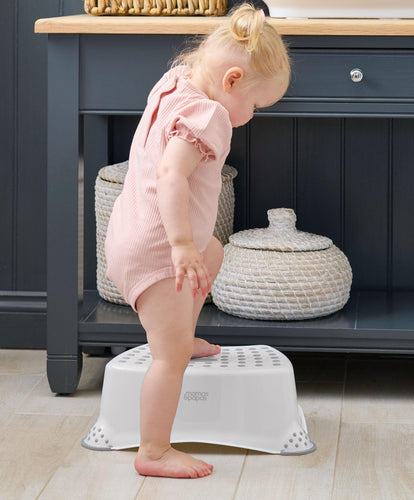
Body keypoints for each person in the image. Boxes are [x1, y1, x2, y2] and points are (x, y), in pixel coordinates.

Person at [105, 3, 290, 479]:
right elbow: (171, 176)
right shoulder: (209, 115)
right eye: (255, 105)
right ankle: (154, 451)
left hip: (129, 233)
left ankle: (182, 335)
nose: (251, 115)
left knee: (213, 252)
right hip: (158, 250)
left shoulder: (176, 81)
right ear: (232, 80)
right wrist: (181, 244)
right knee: (168, 360)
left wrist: (193, 246)